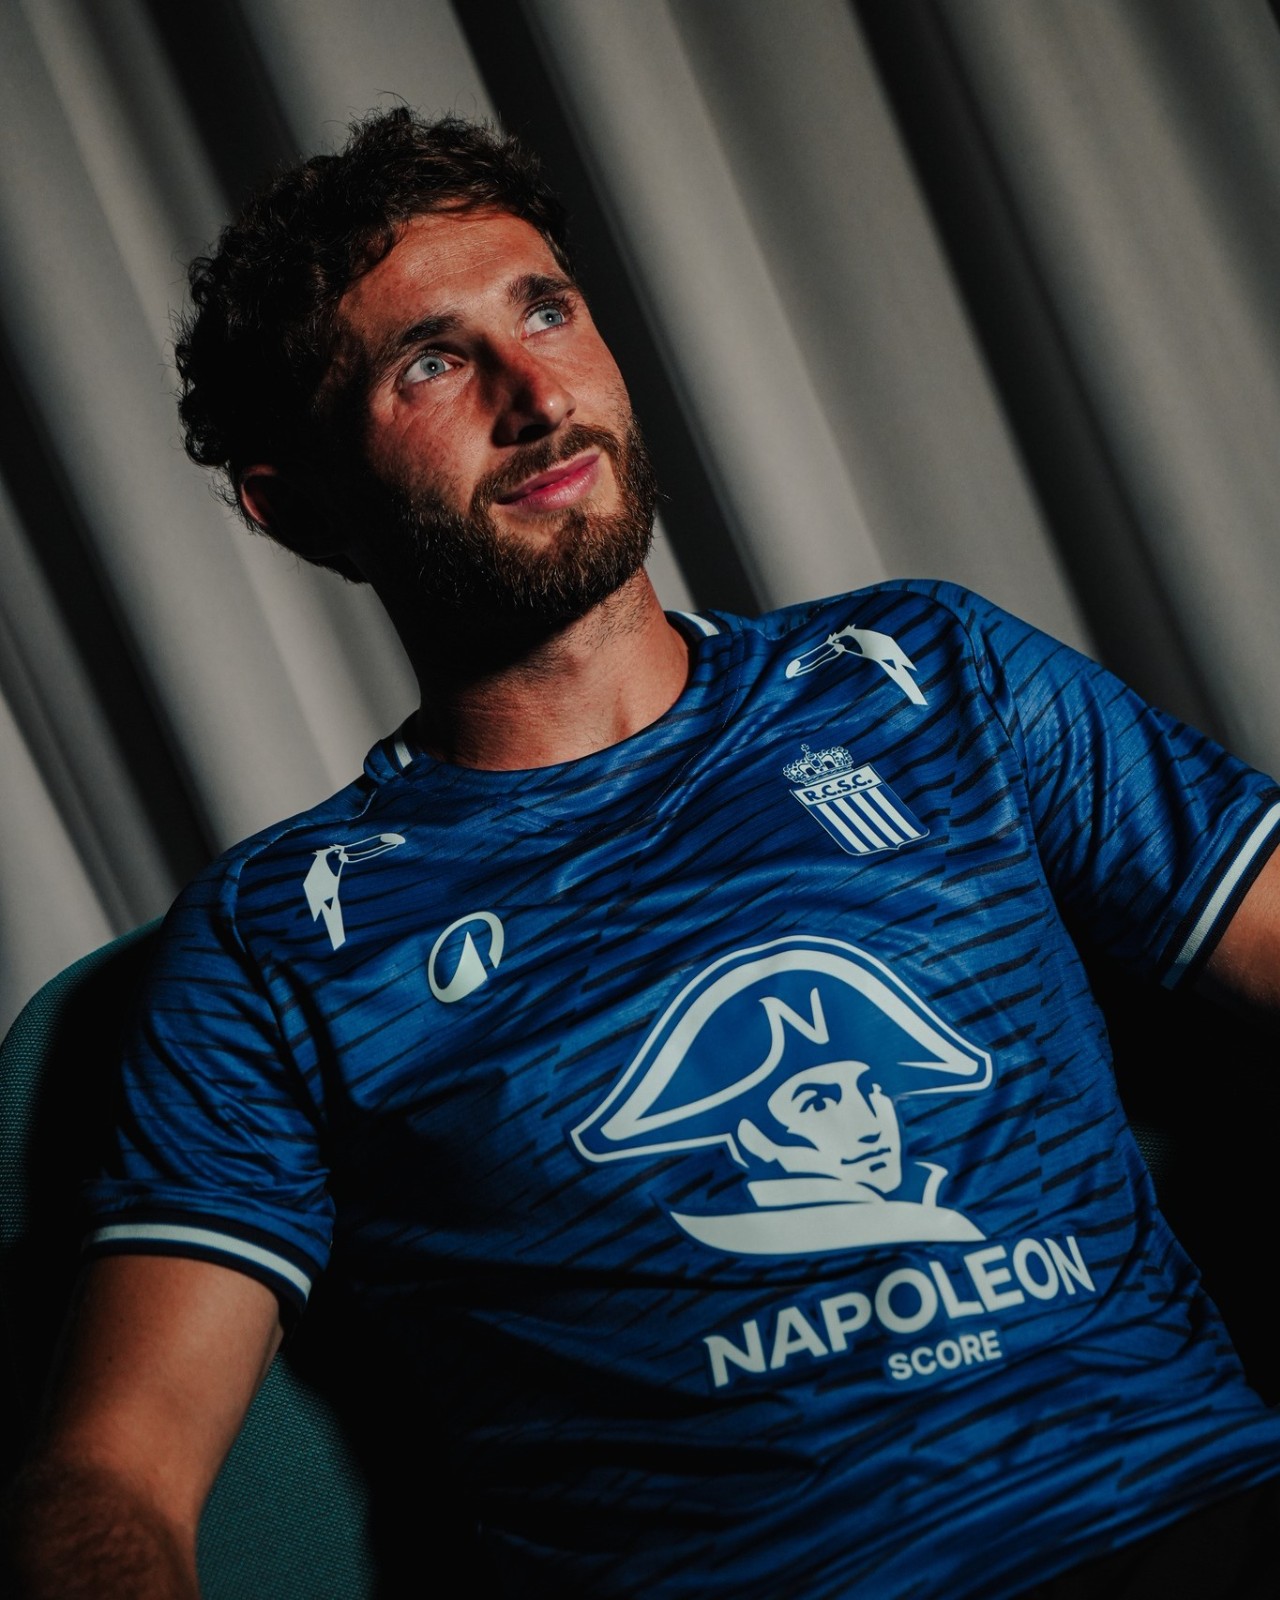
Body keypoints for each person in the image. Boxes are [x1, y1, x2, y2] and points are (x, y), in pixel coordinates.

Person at [4, 107, 1280, 1600]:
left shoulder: (928, 672)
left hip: (1206, 1521)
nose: (538, 395)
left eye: (546, 310)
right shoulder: (281, 934)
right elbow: (113, 1472)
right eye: (430, 362)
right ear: (296, 507)